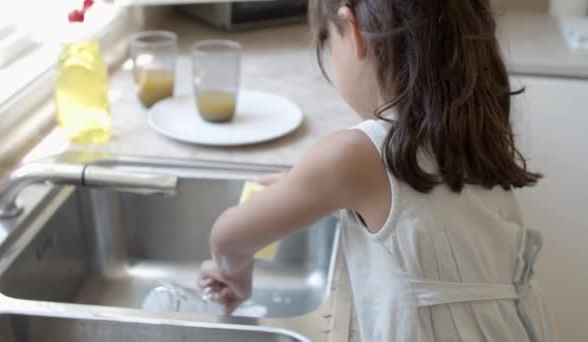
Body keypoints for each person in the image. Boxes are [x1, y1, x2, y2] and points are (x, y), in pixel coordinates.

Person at [198, 0, 555, 340]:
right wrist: (301, 190)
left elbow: (227, 238)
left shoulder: (356, 154)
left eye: (327, 40)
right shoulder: (471, 136)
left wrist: (235, 274)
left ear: (353, 32)